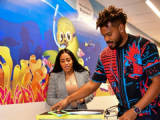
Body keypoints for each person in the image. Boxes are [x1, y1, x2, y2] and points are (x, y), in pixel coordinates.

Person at [50, 5, 160, 120]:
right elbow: (92, 84)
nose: (106, 39)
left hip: (149, 113)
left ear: (121, 28)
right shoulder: (105, 56)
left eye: (109, 34)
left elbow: (157, 83)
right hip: (124, 114)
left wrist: (135, 110)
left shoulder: (144, 46)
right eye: (104, 36)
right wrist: (68, 99)